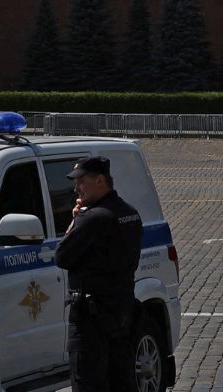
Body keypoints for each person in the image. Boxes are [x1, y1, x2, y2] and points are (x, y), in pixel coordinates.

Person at [53, 155, 143, 391]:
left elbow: (61, 256)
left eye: (81, 181)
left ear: (100, 180)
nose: (76, 188)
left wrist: (76, 220)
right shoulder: (130, 213)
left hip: (90, 322)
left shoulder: (93, 218)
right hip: (120, 315)